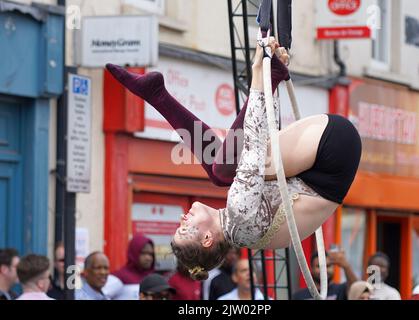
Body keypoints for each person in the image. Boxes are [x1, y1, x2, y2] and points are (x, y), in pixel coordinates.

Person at [106, 37, 362, 281]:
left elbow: (253, 145)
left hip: (324, 161)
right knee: (224, 170)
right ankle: (158, 95)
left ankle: (157, 94)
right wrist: (262, 77)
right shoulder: (239, 216)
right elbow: (254, 138)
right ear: (207, 238)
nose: (182, 220)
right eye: (185, 229)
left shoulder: (241, 229)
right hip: (331, 151)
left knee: (221, 172)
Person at [293, 250, 358, 300]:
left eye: (328, 266)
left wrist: (346, 266)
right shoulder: (299, 296)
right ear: (311, 269)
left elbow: (358, 288)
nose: (324, 270)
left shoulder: (341, 290)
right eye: (319, 266)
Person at [113, 234, 155, 299]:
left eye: (150, 254)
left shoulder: (153, 278)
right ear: (134, 253)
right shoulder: (119, 277)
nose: (148, 258)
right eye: (143, 253)